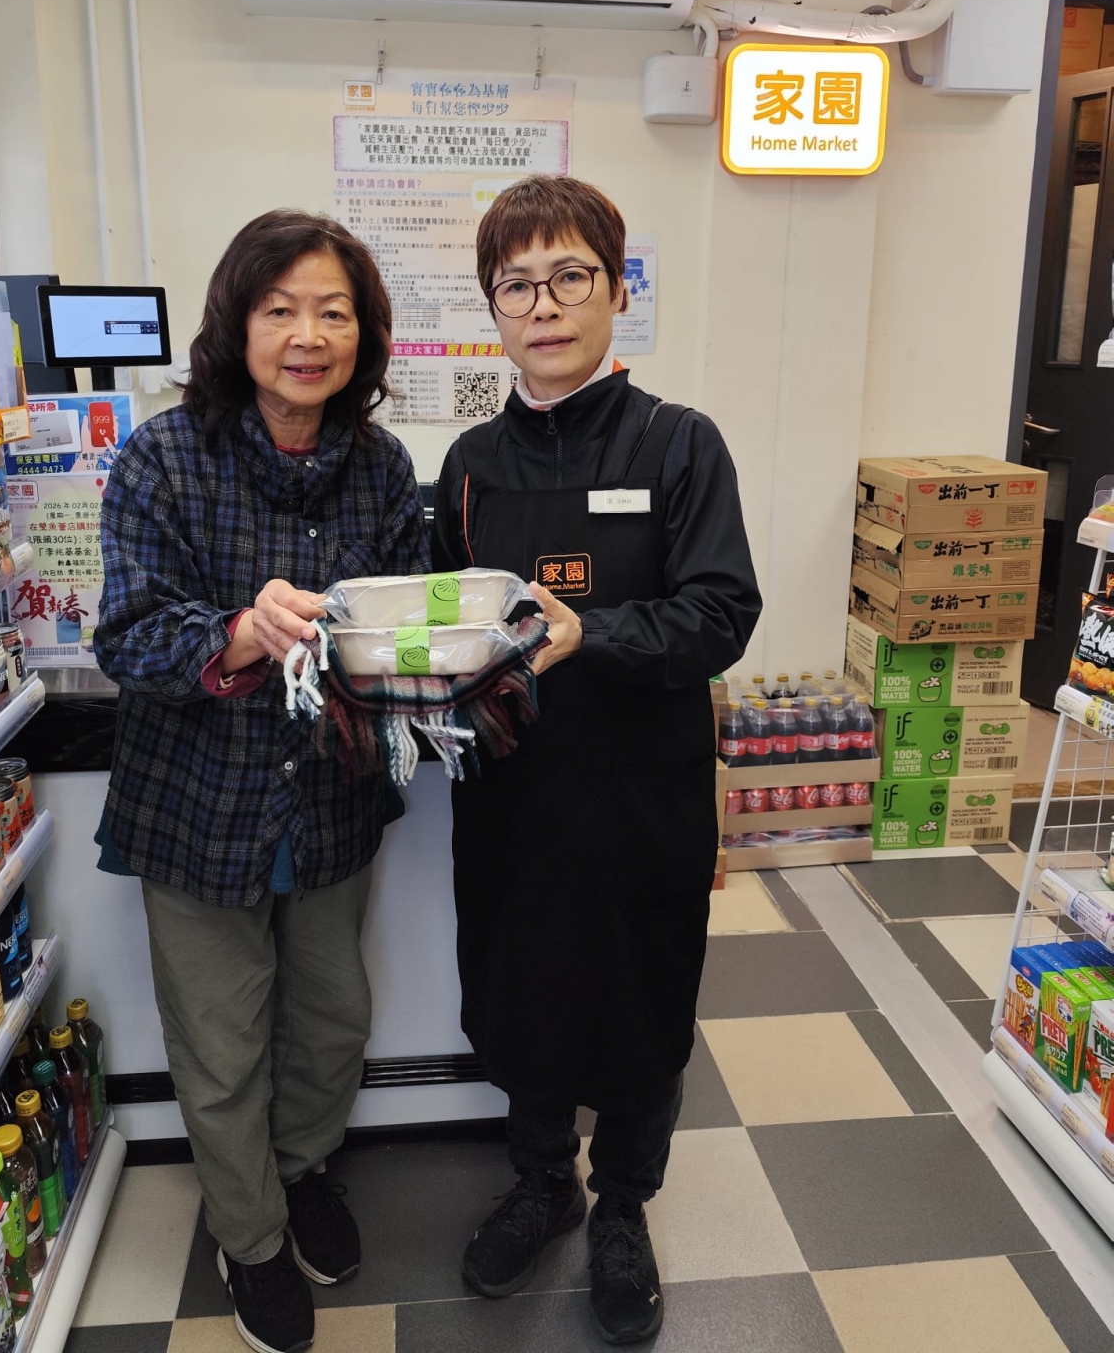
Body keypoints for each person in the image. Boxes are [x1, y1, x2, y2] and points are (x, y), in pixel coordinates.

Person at [432, 175, 761, 1346]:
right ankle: (541, 1182)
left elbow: (722, 611)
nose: (544, 304)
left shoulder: (678, 443)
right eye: (516, 284)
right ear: (493, 308)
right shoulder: (469, 461)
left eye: (570, 275)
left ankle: (623, 1205)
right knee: (521, 989)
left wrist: (593, 634)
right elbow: (445, 617)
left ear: (617, 290)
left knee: (639, 997)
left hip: (640, 793)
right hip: (512, 796)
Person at [94, 210, 428, 1353]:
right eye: (280, 309)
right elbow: (128, 636)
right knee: (221, 1039)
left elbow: (404, 625)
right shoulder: (163, 456)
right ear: (236, 325)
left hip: (332, 796)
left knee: (331, 1019)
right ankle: (249, 1235)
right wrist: (241, 631)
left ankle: (302, 1169)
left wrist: (454, 653)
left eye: (333, 311)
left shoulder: (382, 468)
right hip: (197, 801)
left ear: (363, 334)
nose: (307, 335)